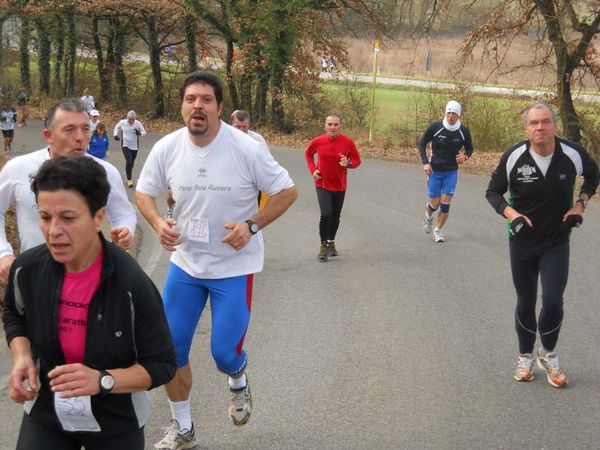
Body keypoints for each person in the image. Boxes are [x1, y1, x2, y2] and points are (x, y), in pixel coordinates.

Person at [135, 71, 297, 450]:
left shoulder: (245, 148)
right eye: (191, 98)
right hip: (187, 265)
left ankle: (237, 379)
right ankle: (183, 428)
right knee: (169, 351)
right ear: (182, 105)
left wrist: (252, 226)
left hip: (234, 268)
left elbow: (287, 192)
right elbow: (144, 193)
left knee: (224, 353)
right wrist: (158, 223)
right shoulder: (168, 148)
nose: (198, 105)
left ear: (219, 107)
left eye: (206, 99)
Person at [2, 156, 176, 450]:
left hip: (116, 419)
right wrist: (22, 357)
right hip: (48, 412)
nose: (54, 230)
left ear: (98, 217)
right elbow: (14, 315)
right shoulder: (27, 269)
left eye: (68, 218)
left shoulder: (130, 283)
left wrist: (102, 380)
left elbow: (162, 365)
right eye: (45, 217)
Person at [486, 102, 599, 387]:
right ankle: (525, 355)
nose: (540, 127)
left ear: (554, 125)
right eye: (534, 123)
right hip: (522, 243)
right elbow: (493, 192)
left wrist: (580, 204)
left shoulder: (571, 153)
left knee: (552, 300)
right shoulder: (514, 157)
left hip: (556, 242)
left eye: (545, 122)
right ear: (527, 128)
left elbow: (594, 175)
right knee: (525, 300)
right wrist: (512, 215)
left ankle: (547, 354)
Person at [0, 98, 137, 285]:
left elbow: (124, 215)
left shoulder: (106, 172)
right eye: (70, 129)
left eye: (85, 129)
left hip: (89, 281)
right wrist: (3, 254)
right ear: (49, 135)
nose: (80, 137)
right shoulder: (19, 168)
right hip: (35, 280)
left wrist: (125, 231)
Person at [305, 114, 361, 262]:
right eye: (329, 124)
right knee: (326, 214)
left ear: (340, 126)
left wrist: (348, 163)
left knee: (336, 216)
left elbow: (357, 161)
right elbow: (308, 155)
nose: (332, 127)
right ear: (325, 126)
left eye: (335, 124)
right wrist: (313, 171)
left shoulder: (348, 143)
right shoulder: (318, 141)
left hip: (340, 185)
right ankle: (323, 245)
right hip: (322, 183)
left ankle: (331, 241)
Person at [418, 100, 473, 242]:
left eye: (454, 113)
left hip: (451, 171)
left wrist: (465, 157)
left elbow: (469, 148)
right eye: (449, 113)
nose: (451, 116)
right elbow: (422, 143)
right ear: (445, 113)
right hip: (434, 170)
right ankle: (429, 215)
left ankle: (439, 230)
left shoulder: (463, 131)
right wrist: (425, 163)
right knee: (435, 204)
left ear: (458, 115)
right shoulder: (436, 127)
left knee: (445, 203)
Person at [231, 109, 270, 209]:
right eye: (238, 126)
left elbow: (267, 162)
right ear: (232, 124)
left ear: (248, 125)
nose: (241, 129)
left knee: (252, 216)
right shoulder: (223, 138)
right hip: (230, 184)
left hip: (252, 184)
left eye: (244, 127)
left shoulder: (257, 139)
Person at [113, 110, 146, 188]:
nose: (131, 121)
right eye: (129, 119)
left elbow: (144, 132)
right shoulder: (122, 122)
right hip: (125, 145)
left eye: (133, 119)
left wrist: (140, 133)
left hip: (134, 146)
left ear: (135, 119)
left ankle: (127, 171)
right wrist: (115, 135)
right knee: (129, 161)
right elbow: (117, 128)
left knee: (131, 163)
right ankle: (129, 180)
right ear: (127, 118)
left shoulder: (138, 123)